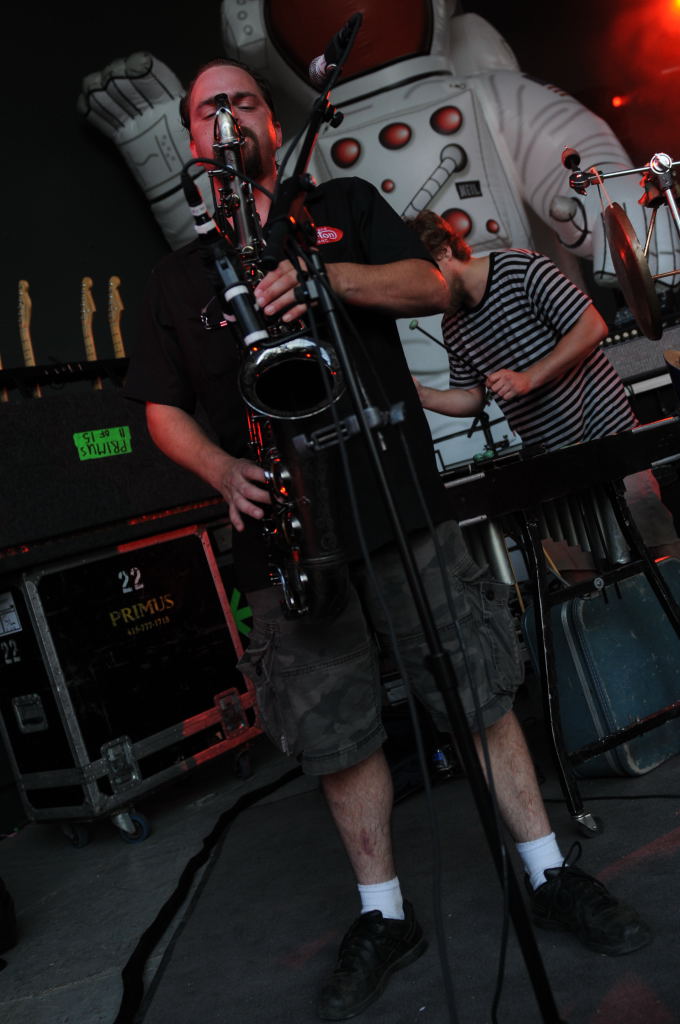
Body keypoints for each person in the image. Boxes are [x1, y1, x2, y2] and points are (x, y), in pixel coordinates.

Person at [123, 59, 652, 1021]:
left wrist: (320, 276)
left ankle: (547, 870)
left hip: (398, 502)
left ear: (272, 124)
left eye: (244, 101)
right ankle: (384, 913)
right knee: (337, 730)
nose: (229, 118)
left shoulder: (343, 206)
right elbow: (160, 409)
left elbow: (431, 285)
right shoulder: (173, 278)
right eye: (209, 110)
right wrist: (223, 471)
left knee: (475, 686)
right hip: (289, 533)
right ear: (192, 143)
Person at [408, 208, 680, 562]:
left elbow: (592, 326)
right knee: (577, 571)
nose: (425, 294)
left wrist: (528, 378)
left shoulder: (520, 268)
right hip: (553, 461)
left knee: (661, 549)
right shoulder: (452, 326)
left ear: (444, 251)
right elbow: (472, 399)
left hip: (608, 435)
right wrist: (424, 396)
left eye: (426, 278)